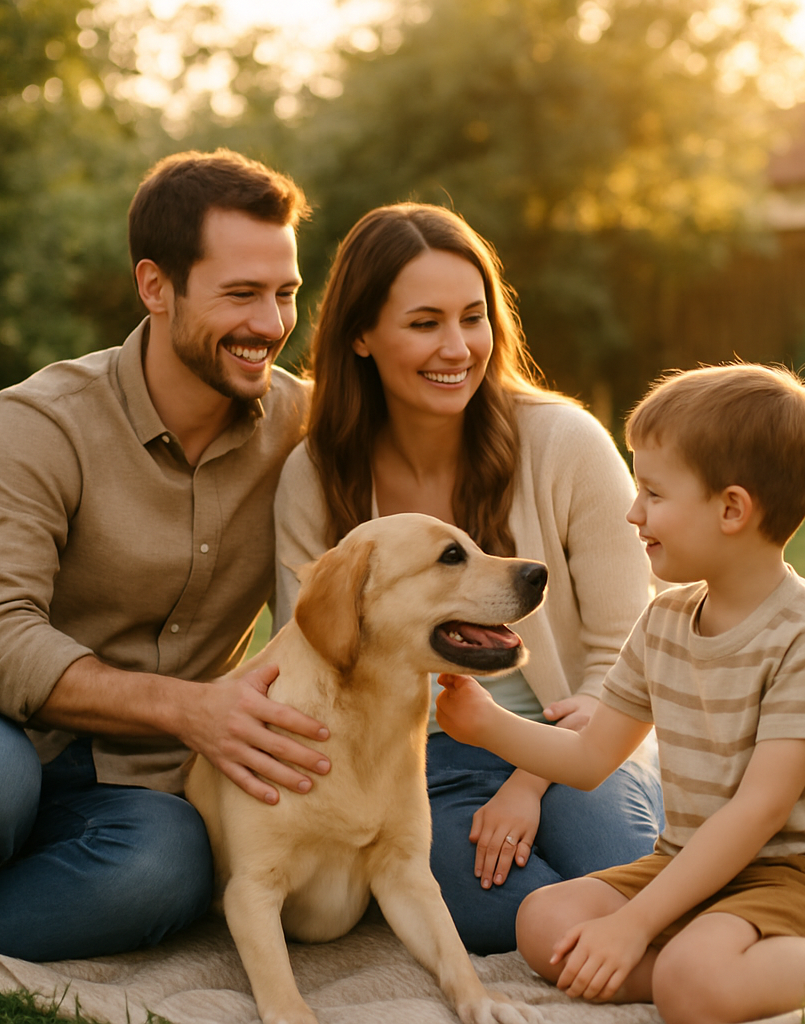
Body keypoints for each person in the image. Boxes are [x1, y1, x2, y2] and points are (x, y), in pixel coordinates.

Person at [0, 149, 333, 966]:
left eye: (285, 293)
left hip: (137, 783)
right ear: (155, 286)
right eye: (240, 294)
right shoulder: (42, 421)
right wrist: (187, 707)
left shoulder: (306, 430)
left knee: (165, 868)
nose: (272, 324)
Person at [436, 362, 805, 1023]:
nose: (633, 512)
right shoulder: (665, 620)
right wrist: (487, 724)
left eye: (653, 493)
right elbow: (590, 757)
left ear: (732, 509)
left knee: (689, 982)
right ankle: (716, 970)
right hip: (694, 863)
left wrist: (635, 923)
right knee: (545, 920)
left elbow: (758, 812)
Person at [272, 203, 664, 955]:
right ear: (360, 335)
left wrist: (529, 780)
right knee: (501, 917)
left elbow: (629, 657)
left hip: (578, 737)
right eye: (425, 323)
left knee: (620, 876)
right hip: (422, 763)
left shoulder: (566, 443)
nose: (457, 348)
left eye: (473, 317)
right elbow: (318, 658)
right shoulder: (314, 478)